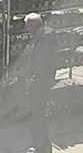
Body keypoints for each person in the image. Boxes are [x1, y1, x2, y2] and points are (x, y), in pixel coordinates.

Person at [24, 13, 58, 153]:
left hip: (40, 84)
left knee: (38, 115)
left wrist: (32, 81)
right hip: (42, 82)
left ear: (34, 26)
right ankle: (40, 145)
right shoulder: (44, 37)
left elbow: (42, 64)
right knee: (38, 115)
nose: (26, 29)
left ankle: (41, 147)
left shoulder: (44, 40)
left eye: (27, 26)